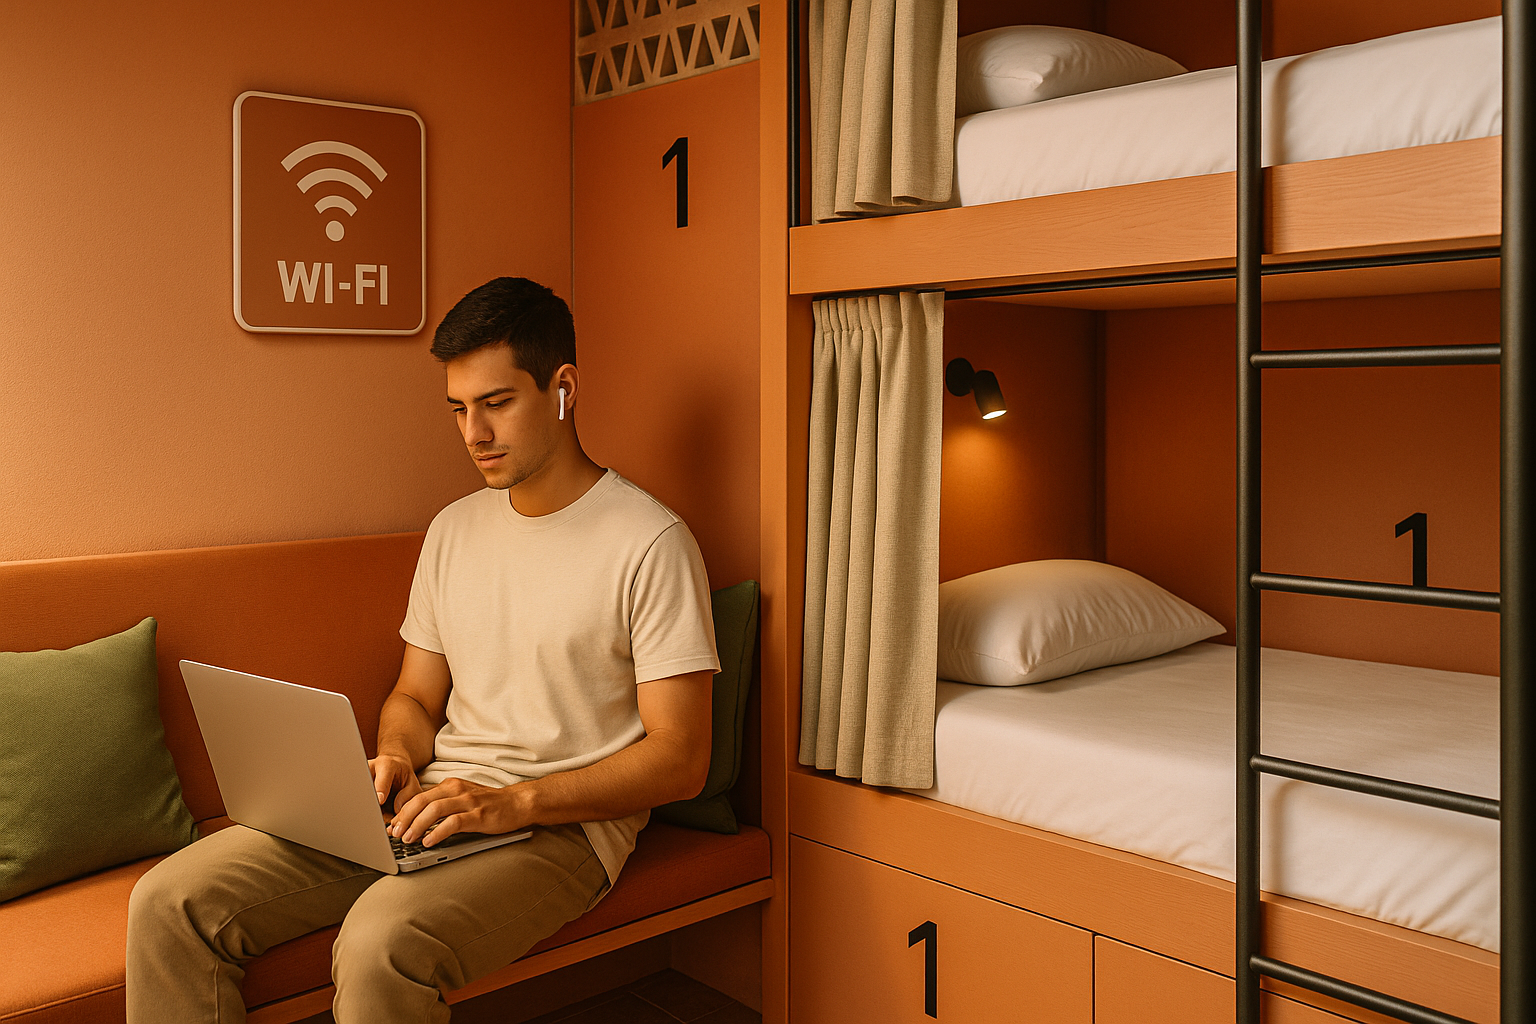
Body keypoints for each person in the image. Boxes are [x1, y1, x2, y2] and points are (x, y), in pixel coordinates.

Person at [126, 277, 719, 1024]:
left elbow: (681, 757)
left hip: (561, 831)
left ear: (563, 388)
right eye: (459, 409)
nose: (474, 433)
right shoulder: (454, 530)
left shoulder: (650, 543)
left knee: (379, 943)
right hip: (432, 804)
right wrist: (399, 758)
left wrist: (512, 802)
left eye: (497, 403)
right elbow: (414, 698)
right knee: (168, 900)